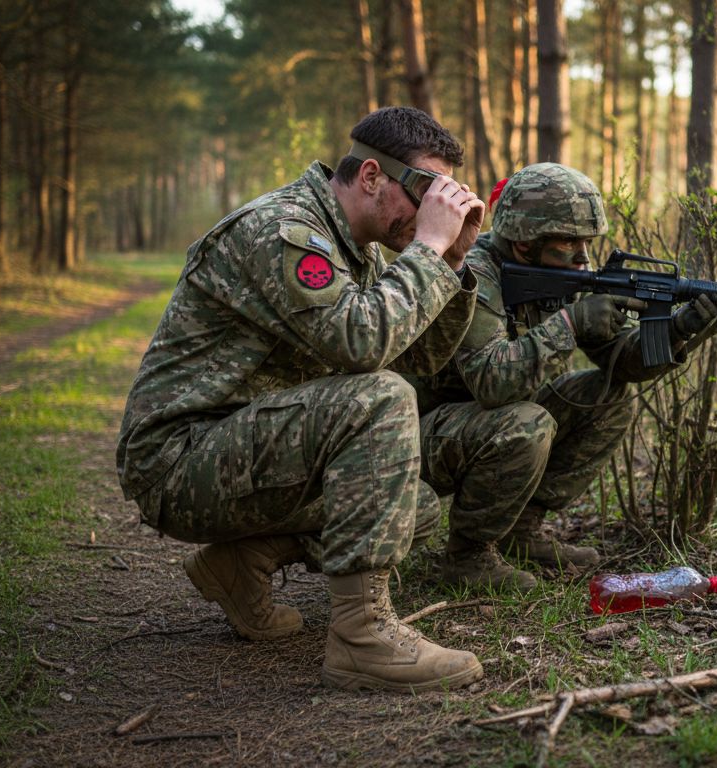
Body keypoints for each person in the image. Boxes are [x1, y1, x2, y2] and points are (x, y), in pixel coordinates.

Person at [116, 106, 487, 692]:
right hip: (177, 460)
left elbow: (413, 362)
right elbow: (366, 347)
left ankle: (244, 562)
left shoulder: (356, 247)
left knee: (409, 505)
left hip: (238, 445)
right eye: (426, 194)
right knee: (379, 399)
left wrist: (449, 258)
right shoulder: (285, 229)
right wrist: (426, 249)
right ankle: (361, 639)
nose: (430, 215)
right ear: (371, 177)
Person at [410, 163, 717, 591]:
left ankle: (520, 530)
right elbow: (491, 382)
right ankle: (468, 556)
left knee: (608, 397)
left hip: (474, 428)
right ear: (526, 242)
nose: (584, 258)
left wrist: (682, 327)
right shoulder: (471, 272)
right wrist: (570, 324)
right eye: (569, 241)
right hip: (416, 439)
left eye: (588, 242)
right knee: (527, 423)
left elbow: (622, 362)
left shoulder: (560, 275)